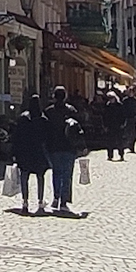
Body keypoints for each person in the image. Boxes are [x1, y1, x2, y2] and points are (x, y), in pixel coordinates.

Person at [8, 95, 52, 214]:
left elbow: (16, 137)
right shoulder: (43, 119)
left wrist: (14, 153)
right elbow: (47, 137)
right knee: (40, 177)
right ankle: (40, 201)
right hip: (38, 152)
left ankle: (25, 202)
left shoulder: (23, 118)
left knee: (24, 176)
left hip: (25, 151)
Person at [44, 85, 84, 213]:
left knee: (56, 173)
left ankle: (56, 198)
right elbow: (78, 129)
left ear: (54, 96)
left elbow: (46, 130)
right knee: (67, 175)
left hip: (54, 147)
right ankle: (64, 201)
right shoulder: (71, 111)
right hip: (69, 147)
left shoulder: (49, 111)